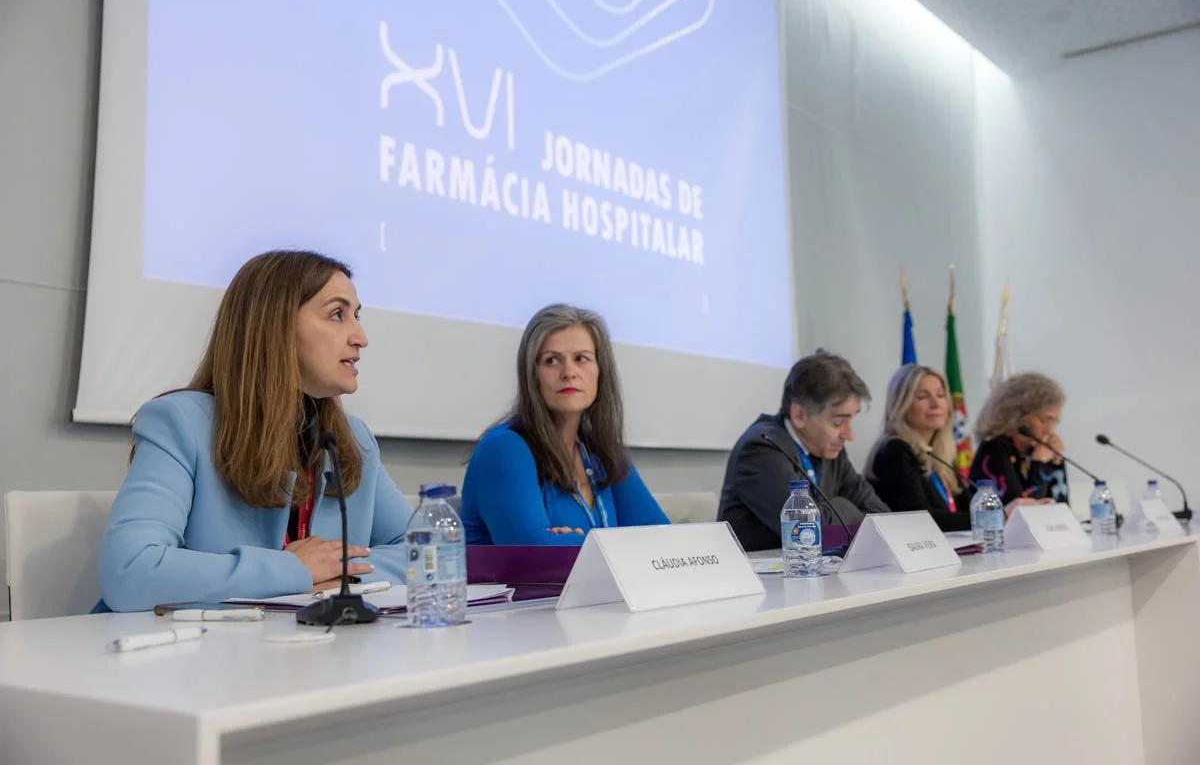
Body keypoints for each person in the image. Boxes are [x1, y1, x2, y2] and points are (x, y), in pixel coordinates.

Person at [97, 251, 415, 612]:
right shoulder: (181, 422)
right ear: (275, 327)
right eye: (337, 314)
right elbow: (130, 571)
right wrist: (292, 570)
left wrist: (339, 578)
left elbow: (429, 552)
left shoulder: (352, 439)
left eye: (357, 316)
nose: (360, 337)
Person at [461, 304, 669, 545]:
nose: (569, 372)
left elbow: (661, 539)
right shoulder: (504, 448)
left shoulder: (602, 451)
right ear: (532, 375)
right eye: (551, 361)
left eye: (581, 359)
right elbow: (533, 554)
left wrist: (569, 543)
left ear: (601, 371)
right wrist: (612, 543)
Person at [718, 349, 889, 551]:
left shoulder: (831, 450)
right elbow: (809, 534)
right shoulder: (761, 449)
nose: (849, 435)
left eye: (852, 419)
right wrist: (845, 507)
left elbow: (882, 520)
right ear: (799, 415)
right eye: (838, 422)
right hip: (760, 570)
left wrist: (835, 520)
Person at [866, 364, 1043, 532]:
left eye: (941, 395)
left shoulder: (937, 453)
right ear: (901, 406)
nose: (936, 404)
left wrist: (1025, 507)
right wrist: (998, 516)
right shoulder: (895, 450)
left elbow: (968, 507)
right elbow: (919, 520)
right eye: (922, 397)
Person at [969, 372, 1067, 505]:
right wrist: (1039, 464)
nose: (1049, 430)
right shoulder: (995, 448)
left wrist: (1055, 465)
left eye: (1054, 422)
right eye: (1045, 420)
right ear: (1019, 416)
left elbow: (1061, 508)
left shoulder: (1034, 450)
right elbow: (1019, 510)